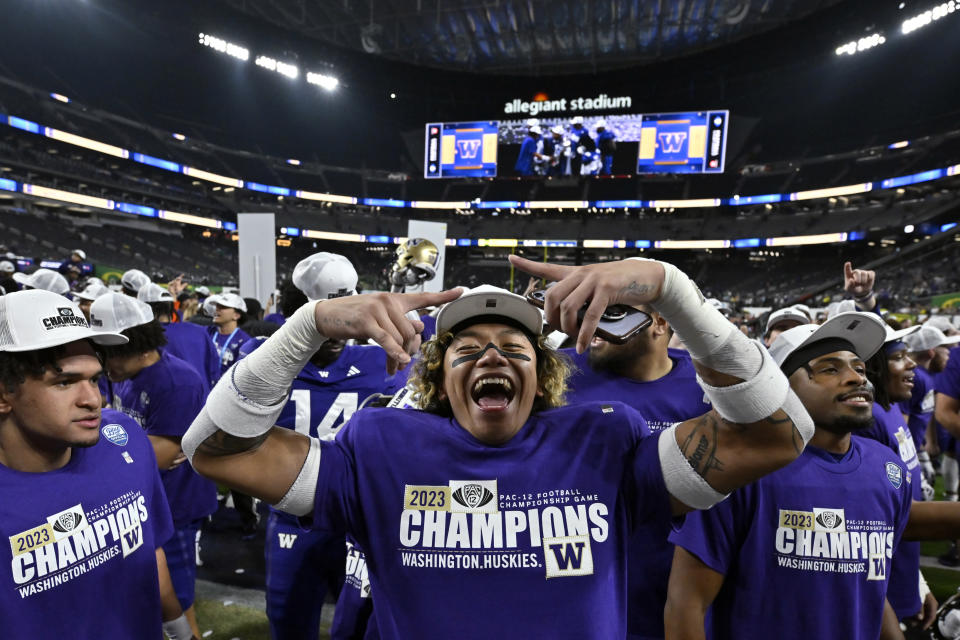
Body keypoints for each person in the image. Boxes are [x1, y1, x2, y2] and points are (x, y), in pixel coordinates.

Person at [183, 255, 815, 638]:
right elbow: (216, 451)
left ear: (544, 377)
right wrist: (307, 326)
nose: (492, 355)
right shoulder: (381, 447)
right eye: (468, 349)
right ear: (436, 376)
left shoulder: (606, 441)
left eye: (515, 349)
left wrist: (676, 292)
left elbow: (778, 432)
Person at [667, 312, 913, 639]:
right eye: (829, 368)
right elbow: (686, 604)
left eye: (859, 367)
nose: (857, 378)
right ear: (781, 387)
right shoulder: (741, 470)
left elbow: (866, 582)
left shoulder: (887, 469)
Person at [0, 289, 194, 639]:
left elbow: (149, 551)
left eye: (93, 378)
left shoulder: (125, 436)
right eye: (64, 382)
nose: (93, 399)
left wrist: (181, 630)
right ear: (4, 394)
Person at [257, 253, 405, 640]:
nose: (339, 331)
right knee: (288, 622)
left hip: (362, 523)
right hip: (292, 518)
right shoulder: (263, 365)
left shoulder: (383, 362)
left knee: (368, 626)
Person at [563, 303, 710, 640]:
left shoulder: (708, 386)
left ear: (658, 323)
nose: (594, 322)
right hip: (583, 581)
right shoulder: (560, 371)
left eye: (613, 313)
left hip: (680, 586)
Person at [90, 292, 217, 638]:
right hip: (140, 501)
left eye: (110, 351)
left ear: (138, 344)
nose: (104, 362)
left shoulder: (178, 382)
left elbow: (159, 456)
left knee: (176, 595)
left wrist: (102, 451)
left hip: (173, 505)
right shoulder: (122, 374)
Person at [138, 282, 220, 392]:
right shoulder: (199, 331)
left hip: (166, 402)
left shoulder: (145, 337)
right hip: (204, 401)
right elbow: (214, 370)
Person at [207, 292, 251, 376]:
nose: (217, 309)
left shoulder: (245, 341)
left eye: (223, 307)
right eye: (217, 306)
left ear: (236, 315)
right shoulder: (207, 332)